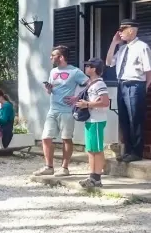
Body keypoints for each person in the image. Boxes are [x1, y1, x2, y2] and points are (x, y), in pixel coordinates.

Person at [34, 46, 88, 176]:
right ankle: (49, 167)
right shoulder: (53, 71)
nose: (51, 57)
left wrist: (77, 97)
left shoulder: (75, 72)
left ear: (61, 57)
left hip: (67, 111)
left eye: (53, 55)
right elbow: (52, 89)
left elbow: (90, 83)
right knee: (46, 138)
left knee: (66, 138)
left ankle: (65, 168)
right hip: (53, 109)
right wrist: (49, 88)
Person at [106, 19, 151, 163]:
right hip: (122, 84)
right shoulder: (121, 49)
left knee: (135, 119)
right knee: (124, 119)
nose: (119, 33)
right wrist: (113, 43)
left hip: (135, 84)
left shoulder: (142, 47)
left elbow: (150, 70)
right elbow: (108, 62)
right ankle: (127, 151)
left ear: (132, 30)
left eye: (122, 30)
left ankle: (136, 152)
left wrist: (144, 86)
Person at [75, 58, 110, 188]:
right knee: (90, 149)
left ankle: (97, 178)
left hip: (97, 119)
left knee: (97, 149)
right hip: (91, 119)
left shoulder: (100, 84)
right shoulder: (91, 83)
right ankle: (92, 177)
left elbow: (105, 102)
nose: (86, 68)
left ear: (94, 68)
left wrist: (87, 104)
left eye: (88, 66)